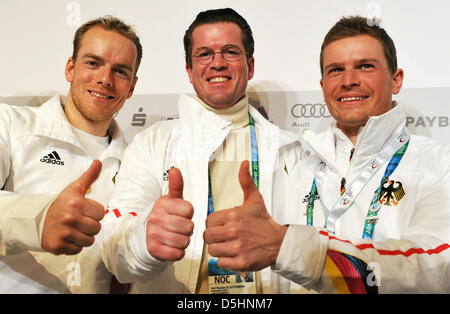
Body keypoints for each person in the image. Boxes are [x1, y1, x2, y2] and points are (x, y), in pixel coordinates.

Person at [204, 15, 450, 293]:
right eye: (335, 70)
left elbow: (433, 266)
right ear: (322, 87)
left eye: (365, 66)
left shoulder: (439, 164)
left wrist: (290, 249)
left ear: (396, 80)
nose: (348, 81)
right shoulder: (294, 161)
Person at [100, 8, 301, 294]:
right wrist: (143, 242)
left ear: (251, 65)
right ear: (189, 71)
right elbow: (113, 248)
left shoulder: (290, 150)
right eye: (204, 54)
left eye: (230, 52)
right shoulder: (153, 142)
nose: (217, 63)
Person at [0, 16, 141, 293]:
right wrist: (39, 220)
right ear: (70, 68)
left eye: (120, 71)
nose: (105, 79)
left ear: (132, 87)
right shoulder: (9, 123)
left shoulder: (137, 162)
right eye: (93, 63)